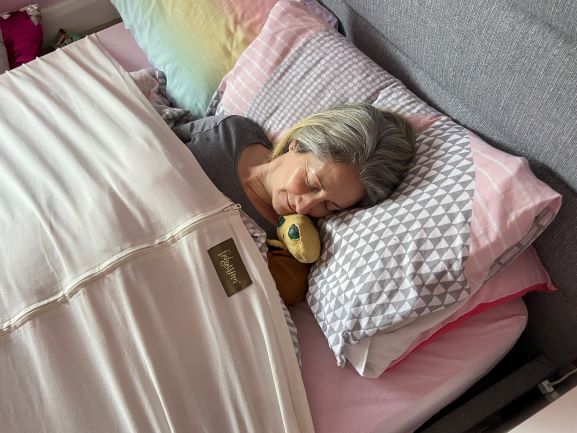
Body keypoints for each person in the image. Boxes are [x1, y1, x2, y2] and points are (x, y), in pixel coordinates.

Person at [173, 103, 416, 239]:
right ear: (297, 142)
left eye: (330, 206)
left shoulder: (287, 241)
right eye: (311, 183)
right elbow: (150, 137)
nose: (304, 208)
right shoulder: (232, 133)